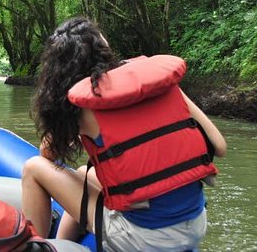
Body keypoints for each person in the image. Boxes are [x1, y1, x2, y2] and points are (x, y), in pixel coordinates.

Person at [21, 17, 226, 252]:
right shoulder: (163, 83)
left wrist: (64, 114)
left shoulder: (82, 108)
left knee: (33, 168)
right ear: (105, 49)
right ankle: (64, 243)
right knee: (83, 175)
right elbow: (218, 146)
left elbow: (47, 154)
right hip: (195, 225)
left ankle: (35, 247)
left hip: (143, 240)